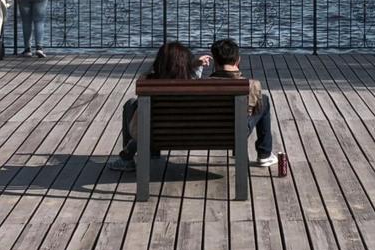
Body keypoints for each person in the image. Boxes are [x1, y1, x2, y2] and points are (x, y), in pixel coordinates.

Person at [192, 38, 278, 168]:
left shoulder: (200, 86)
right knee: (263, 100)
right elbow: (251, 112)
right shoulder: (252, 85)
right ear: (238, 60)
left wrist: (195, 65)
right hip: (235, 134)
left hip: (203, 133)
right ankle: (264, 154)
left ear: (215, 61)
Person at [109, 41, 194, 171]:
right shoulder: (194, 86)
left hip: (153, 135)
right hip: (189, 134)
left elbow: (148, 75)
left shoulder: (149, 83)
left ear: (159, 62)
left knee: (131, 104)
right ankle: (146, 153)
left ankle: (127, 158)